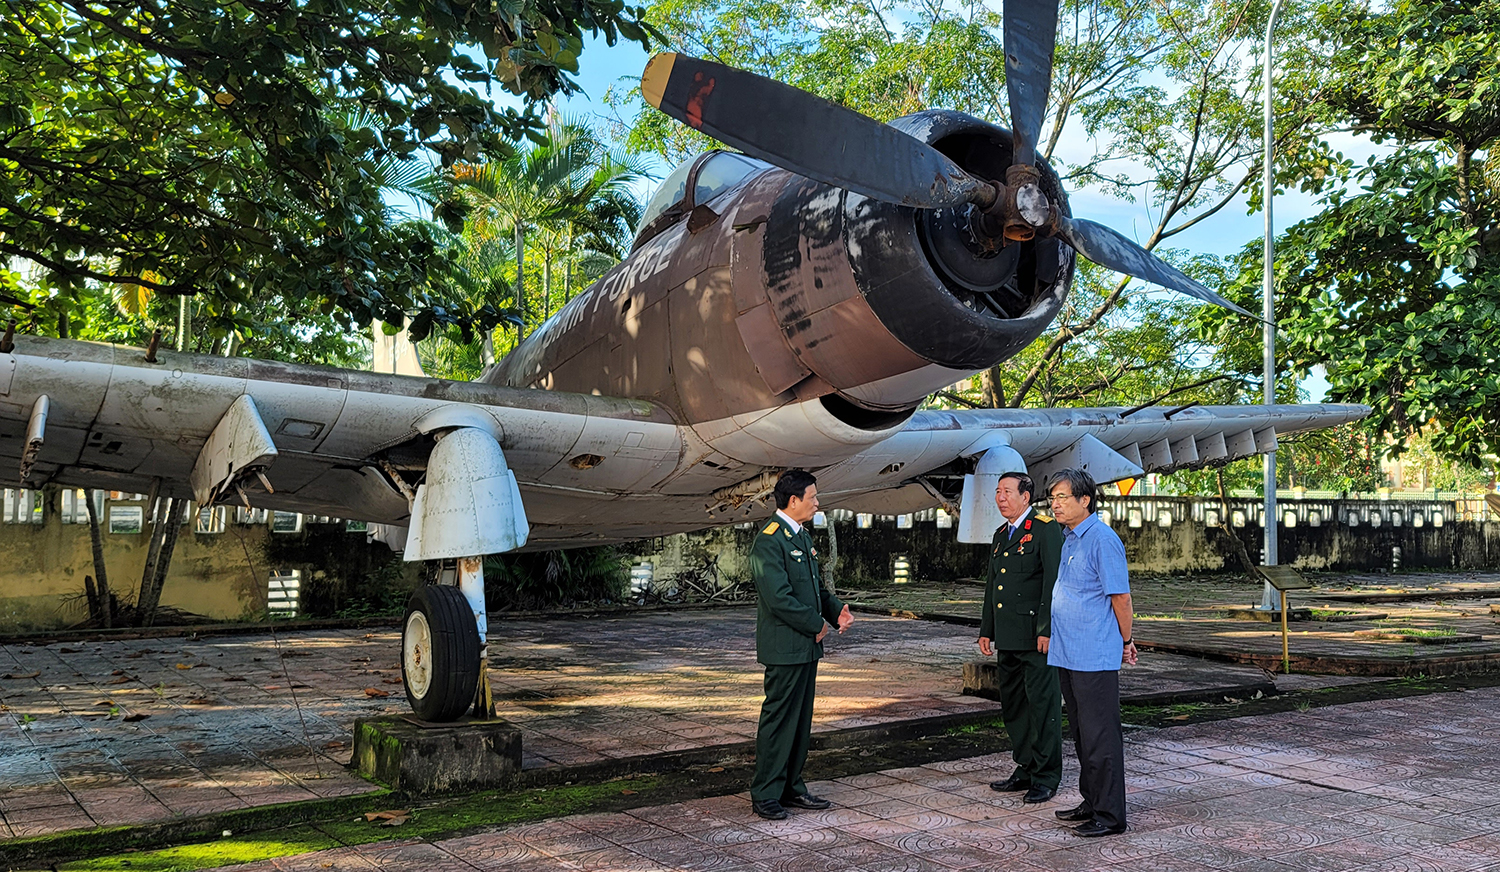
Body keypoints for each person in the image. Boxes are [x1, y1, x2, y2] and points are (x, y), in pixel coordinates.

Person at [748, 469, 853, 820]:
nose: (817, 503)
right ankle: (766, 793)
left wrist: (836, 611)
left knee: (800, 721)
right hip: (785, 647)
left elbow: (815, 589)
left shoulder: (800, 537)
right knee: (779, 721)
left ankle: (792, 787)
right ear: (793, 501)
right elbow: (778, 597)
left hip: (805, 647)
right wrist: (816, 625)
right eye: (812, 498)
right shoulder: (770, 539)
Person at [1044, 468, 1137, 838]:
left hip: (1094, 654)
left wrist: (1126, 641)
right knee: (1082, 734)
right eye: (1053, 498)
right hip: (1069, 652)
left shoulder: (1102, 538)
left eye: (1063, 497)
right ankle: (1092, 800)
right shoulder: (1070, 538)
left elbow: (1121, 598)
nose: (1055, 504)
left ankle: (1110, 816)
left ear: (1085, 500)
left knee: (1101, 736)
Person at [978, 471, 1064, 804]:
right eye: (998, 492)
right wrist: (987, 629)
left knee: (1042, 707)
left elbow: (1052, 583)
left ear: (1025, 497)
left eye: (1007, 492)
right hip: (1008, 637)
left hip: (1035, 637)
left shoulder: (1044, 530)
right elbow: (992, 587)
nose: (1000, 497)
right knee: (1014, 706)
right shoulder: (1001, 535)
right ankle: (1025, 767)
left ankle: (1046, 775)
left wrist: (1046, 629)